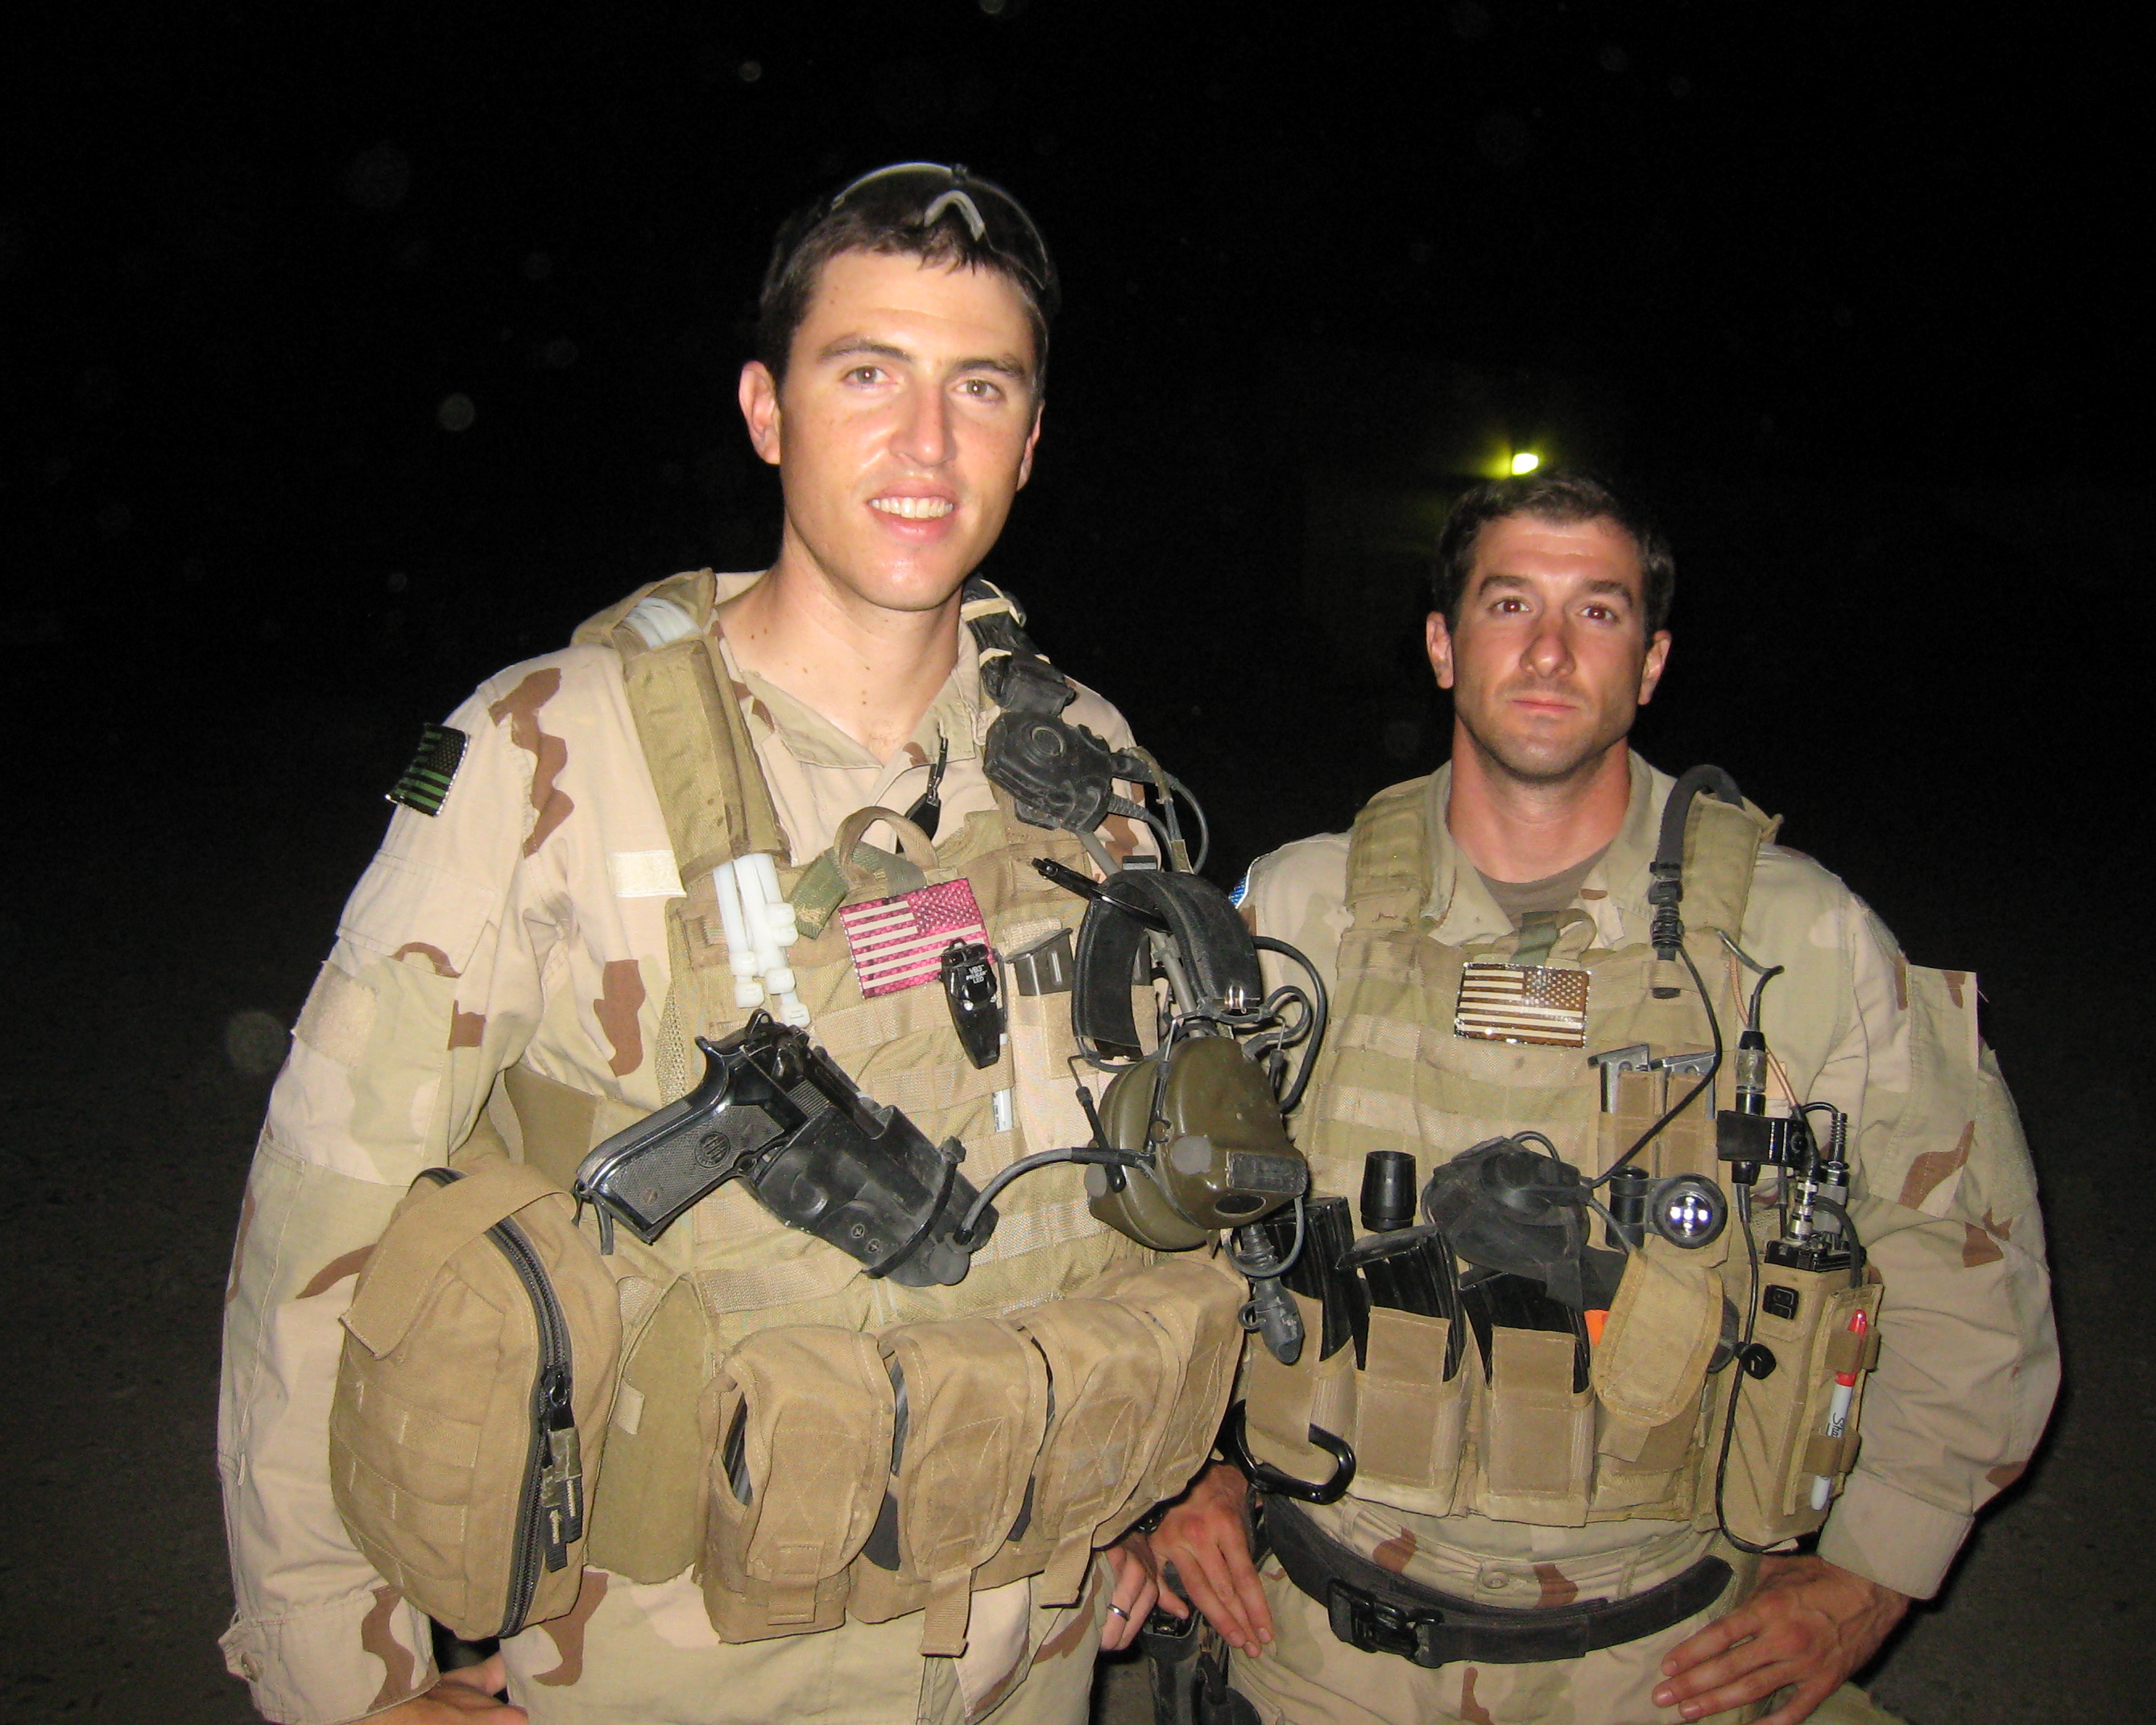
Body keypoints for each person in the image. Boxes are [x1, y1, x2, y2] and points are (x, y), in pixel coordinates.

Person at [218, 163, 1231, 1725]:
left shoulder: (1085, 763)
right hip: (666, 1669)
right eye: (865, 373)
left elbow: (1146, 1176)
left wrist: (1160, 1479)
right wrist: (348, 1681)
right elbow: (317, 1231)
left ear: (1030, 443)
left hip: (1025, 1658)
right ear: (765, 410)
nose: (923, 443)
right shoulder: (550, 749)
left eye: (979, 388)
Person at [1148, 472, 2058, 1725]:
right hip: (1309, 1644)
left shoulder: (1798, 938)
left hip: (1663, 1662)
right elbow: (1153, 1227)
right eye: (1507, 601)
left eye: (1599, 612)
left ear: (1652, 662)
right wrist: (1173, 1474)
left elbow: (1968, 1264)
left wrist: (1872, 1573)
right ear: (1439, 642)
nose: (1545, 649)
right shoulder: (1297, 913)